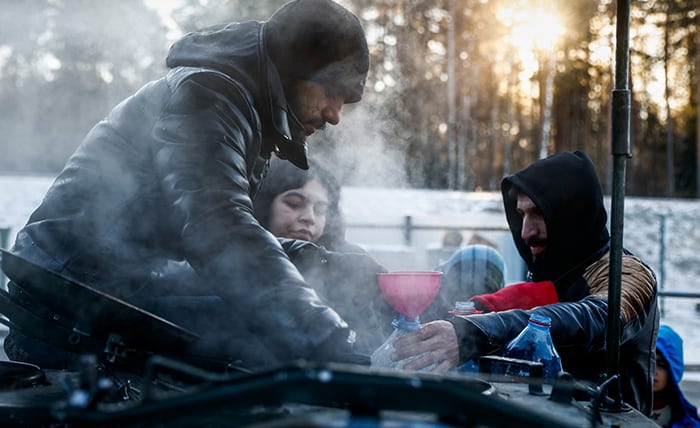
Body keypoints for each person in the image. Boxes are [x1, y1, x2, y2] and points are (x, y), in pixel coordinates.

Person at [2, 0, 371, 371]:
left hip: (121, 285)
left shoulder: (242, 105)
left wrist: (336, 266)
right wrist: (331, 343)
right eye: (331, 91)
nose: (335, 114)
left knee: (288, 311)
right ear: (294, 69)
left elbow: (232, 237)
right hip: (67, 302)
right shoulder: (207, 96)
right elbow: (219, 230)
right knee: (259, 337)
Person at [391, 151, 659, 415]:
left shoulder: (628, 273)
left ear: (572, 211)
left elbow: (598, 318)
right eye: (521, 215)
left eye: (538, 214)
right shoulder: (551, 270)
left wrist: (474, 332)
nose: (525, 232)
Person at [253, 155, 395, 354]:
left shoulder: (351, 264)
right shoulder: (235, 261)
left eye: (320, 209)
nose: (309, 217)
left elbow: (374, 342)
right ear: (265, 204)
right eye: (294, 204)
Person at [651, 325, 700, 427]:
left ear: (673, 369)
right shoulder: (620, 407)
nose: (654, 371)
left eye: (661, 364)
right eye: (650, 362)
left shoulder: (688, 422)